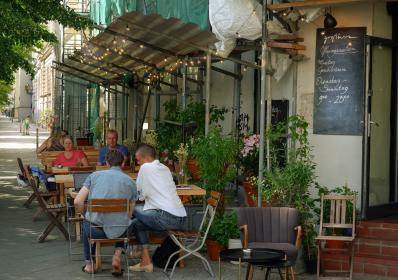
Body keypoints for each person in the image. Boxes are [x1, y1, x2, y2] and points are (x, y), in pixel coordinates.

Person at [74, 150, 137, 275]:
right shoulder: (131, 182)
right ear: (123, 163)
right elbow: (130, 214)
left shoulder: (94, 176)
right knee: (131, 222)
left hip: (95, 231)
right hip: (120, 232)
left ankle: (89, 265)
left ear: (107, 163)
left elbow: (77, 201)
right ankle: (117, 255)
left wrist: (83, 214)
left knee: (87, 223)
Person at [128, 144, 187, 273]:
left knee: (131, 209)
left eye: (138, 160)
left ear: (146, 157)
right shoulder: (164, 168)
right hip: (181, 218)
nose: (138, 163)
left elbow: (139, 195)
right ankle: (145, 261)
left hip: (164, 218)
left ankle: (128, 245)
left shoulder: (145, 168)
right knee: (137, 223)